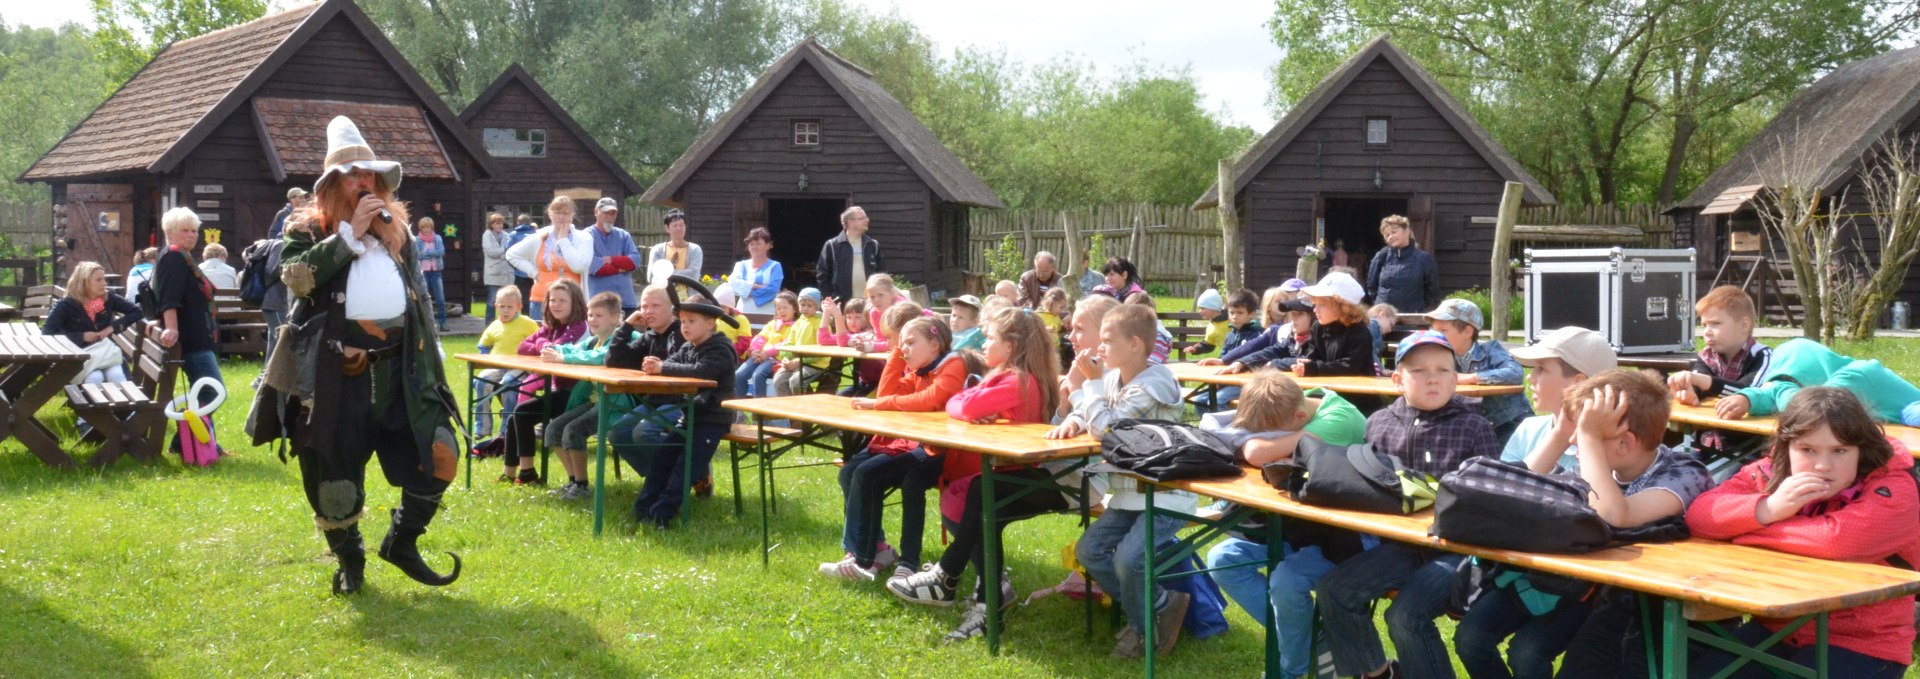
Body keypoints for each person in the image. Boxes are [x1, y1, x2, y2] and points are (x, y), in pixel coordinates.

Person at [272, 115, 463, 595]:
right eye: (351, 176)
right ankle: (350, 561)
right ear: (332, 187)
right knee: (333, 483)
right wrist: (349, 237)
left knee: (440, 452)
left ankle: (402, 541)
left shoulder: (397, 233)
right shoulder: (306, 231)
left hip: (403, 371)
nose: (363, 184)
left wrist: (433, 349)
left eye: (369, 176)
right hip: (335, 377)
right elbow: (296, 279)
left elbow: (418, 292)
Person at [1456, 370, 1710, 679]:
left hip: (1676, 618)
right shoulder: (1595, 467)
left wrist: (1588, 438)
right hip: (1612, 606)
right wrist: (1561, 434)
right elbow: (1515, 496)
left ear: (1626, 443)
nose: (1575, 440)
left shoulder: (1684, 474)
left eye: (1584, 433)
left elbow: (1616, 515)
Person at [1684, 387, 1919, 679]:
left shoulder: (1894, 484)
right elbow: (1701, 515)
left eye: (1840, 450)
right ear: (1787, 448)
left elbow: (1839, 540)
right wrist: (1768, 508)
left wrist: (1747, 530)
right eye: (1807, 450)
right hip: (1777, 629)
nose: (1823, 465)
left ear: (1862, 450)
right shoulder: (1772, 471)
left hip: (1863, 642)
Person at [1316, 331, 1499, 679]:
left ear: (1456, 378)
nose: (1433, 377)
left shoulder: (1474, 426)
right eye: (1419, 370)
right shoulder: (1378, 423)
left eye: (1444, 370)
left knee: (1404, 616)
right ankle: (1377, 672)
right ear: (1398, 379)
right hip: (1399, 546)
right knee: (1334, 590)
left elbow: (1489, 499)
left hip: (1455, 550)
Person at [885, 306, 1063, 643]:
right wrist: (971, 401)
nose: (982, 343)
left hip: (1037, 477)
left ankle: (951, 578)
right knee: (971, 492)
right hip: (1011, 472)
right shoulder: (1007, 375)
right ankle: (987, 594)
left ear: (1010, 346)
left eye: (990, 337)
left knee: (978, 492)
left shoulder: (1017, 380)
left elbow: (961, 405)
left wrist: (971, 402)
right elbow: (960, 401)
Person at [1199, 370, 1367, 679]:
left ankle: (1290, 671)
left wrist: (1258, 442)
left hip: (1346, 539)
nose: (1270, 436)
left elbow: (1256, 452)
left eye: (1274, 432)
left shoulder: (1339, 421)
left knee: (1286, 582)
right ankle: (1313, 641)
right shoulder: (1301, 408)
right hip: (1301, 528)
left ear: (1299, 416)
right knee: (1221, 560)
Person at [1050, 303, 1193, 658]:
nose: (1100, 347)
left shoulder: (1155, 385)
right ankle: (1159, 605)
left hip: (1164, 496)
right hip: (1129, 496)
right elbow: (1094, 416)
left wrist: (1089, 388)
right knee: (1090, 550)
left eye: (1108, 340)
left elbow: (1109, 427)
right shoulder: (1114, 378)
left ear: (1135, 345)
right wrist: (1076, 421)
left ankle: (1147, 635)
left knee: (1128, 561)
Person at [823, 316, 972, 581]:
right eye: (902, 343)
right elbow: (887, 391)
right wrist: (896, 353)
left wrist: (882, 403)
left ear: (935, 344)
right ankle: (867, 554)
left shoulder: (954, 364)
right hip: (928, 448)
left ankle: (888, 560)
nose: (905, 349)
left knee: (881, 476)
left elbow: (931, 399)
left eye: (911, 342)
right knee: (853, 472)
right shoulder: (919, 372)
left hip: (954, 454)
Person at [630, 276, 740, 528]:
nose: (685, 327)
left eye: (692, 321)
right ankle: (643, 508)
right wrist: (655, 365)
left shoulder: (720, 349)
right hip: (689, 416)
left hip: (712, 420)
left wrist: (663, 367)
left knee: (684, 468)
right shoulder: (689, 347)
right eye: (682, 321)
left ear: (711, 323)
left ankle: (662, 516)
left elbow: (699, 371)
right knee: (662, 459)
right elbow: (675, 363)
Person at [535, 291, 626, 500]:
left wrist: (563, 358)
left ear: (615, 318)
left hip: (616, 403)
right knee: (553, 429)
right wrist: (553, 349)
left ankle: (582, 486)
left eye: (599, 315)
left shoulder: (623, 338)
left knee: (573, 430)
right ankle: (574, 481)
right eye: (590, 315)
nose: (592, 320)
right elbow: (574, 349)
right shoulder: (594, 340)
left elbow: (599, 357)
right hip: (594, 400)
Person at [1668, 286, 1774, 463]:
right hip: (1701, 443)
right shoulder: (1707, 357)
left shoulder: (1763, 357)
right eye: (1704, 325)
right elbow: (1698, 386)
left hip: (1745, 451)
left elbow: (1748, 393)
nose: (1707, 332)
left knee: (1709, 481)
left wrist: (1705, 382)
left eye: (1715, 324)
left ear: (1744, 325)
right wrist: (1688, 393)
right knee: (1660, 465)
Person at [497, 280, 587, 485]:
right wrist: (543, 342)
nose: (556, 305)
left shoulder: (579, 326)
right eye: (552, 300)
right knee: (515, 416)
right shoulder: (551, 326)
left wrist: (543, 344)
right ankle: (510, 473)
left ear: (576, 303)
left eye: (562, 300)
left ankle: (527, 474)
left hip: (576, 392)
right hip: (559, 389)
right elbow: (523, 347)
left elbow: (555, 350)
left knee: (521, 413)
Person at [1713, 338, 1920, 426]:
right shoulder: (1823, 381)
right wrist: (1746, 398)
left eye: (1790, 379)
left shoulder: (1857, 375)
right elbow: (1776, 392)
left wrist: (1777, 390)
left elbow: (1811, 409)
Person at [153, 208, 223, 448]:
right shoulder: (174, 257)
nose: (192, 235)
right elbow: (169, 298)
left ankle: (193, 443)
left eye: (194, 230)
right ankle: (186, 443)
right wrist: (171, 328)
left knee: (204, 391)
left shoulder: (182, 256)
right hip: (192, 338)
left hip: (199, 335)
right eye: (185, 230)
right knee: (212, 392)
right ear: (170, 232)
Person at [1504, 326, 1617, 472]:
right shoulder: (1528, 430)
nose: (1530, 377)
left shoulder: (1614, 444)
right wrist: (1560, 436)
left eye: (1541, 369)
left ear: (1579, 384)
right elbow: (1501, 491)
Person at [1425, 298, 1528, 443]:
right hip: (1470, 430)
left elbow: (1515, 373)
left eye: (1443, 330)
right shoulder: (1438, 357)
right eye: (1433, 330)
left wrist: (1470, 378)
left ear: (1467, 332)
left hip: (1510, 426)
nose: (1435, 336)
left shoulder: (1490, 350)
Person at [607, 283, 684, 472]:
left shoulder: (682, 332)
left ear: (672, 309)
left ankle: (685, 474)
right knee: (617, 432)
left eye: (655, 306)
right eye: (644, 306)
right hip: (654, 402)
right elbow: (614, 360)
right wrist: (627, 326)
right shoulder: (648, 335)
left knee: (644, 431)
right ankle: (656, 479)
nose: (648, 311)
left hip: (682, 403)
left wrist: (661, 366)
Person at [43, 261, 142, 384]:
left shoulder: (108, 298)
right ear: (84, 282)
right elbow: (47, 334)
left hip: (105, 355)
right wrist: (81, 336)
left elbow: (137, 311)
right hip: (80, 357)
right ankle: (92, 403)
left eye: (104, 279)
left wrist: (112, 327)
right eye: (98, 280)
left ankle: (124, 403)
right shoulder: (66, 305)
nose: (104, 283)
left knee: (116, 374)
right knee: (95, 377)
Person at [504, 196, 592, 320]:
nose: (561, 217)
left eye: (565, 213)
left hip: (572, 301)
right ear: (550, 214)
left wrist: (563, 240)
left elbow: (580, 266)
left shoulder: (584, 238)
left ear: (572, 215)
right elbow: (512, 254)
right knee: (542, 339)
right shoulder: (539, 236)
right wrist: (533, 272)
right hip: (541, 300)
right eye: (557, 213)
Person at [470, 286, 538, 439]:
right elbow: (483, 345)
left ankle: (506, 430)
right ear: (496, 306)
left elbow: (538, 341)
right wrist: (487, 358)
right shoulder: (494, 325)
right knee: (481, 382)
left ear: (519, 307)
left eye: (509, 307)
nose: (505, 311)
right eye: (502, 306)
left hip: (518, 367)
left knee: (508, 384)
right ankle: (482, 427)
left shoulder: (527, 323)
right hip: (497, 366)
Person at [1291, 272, 1377, 378]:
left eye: (1322, 304)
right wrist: (1308, 363)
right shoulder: (1318, 327)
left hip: (1357, 391)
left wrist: (1315, 368)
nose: (1315, 310)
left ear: (1342, 307)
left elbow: (1350, 366)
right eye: (1315, 304)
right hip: (1325, 388)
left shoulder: (1359, 331)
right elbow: (1315, 357)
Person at [1056, 295, 1123, 421]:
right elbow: (1057, 432)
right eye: (1072, 329)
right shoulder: (1080, 371)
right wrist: (1063, 407)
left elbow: (1102, 427)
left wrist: (1076, 390)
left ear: (1105, 333)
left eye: (1079, 329)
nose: (1071, 337)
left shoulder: (1119, 378)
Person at [1365, 214, 1439, 313]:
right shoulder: (1381, 257)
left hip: (1413, 316)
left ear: (1407, 231)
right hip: (1383, 317)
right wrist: (1379, 305)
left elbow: (1432, 291)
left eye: (1394, 232)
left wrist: (1420, 310)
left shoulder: (1424, 259)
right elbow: (1371, 286)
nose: (1390, 237)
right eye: (1387, 235)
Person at [735, 290, 800, 397]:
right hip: (760, 356)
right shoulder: (773, 324)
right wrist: (755, 350)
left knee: (758, 375)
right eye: (778, 308)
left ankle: (759, 409)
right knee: (738, 375)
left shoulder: (796, 326)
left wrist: (766, 353)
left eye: (785, 307)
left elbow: (786, 344)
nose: (781, 311)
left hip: (776, 359)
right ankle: (739, 410)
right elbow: (761, 337)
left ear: (794, 309)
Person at [584, 197, 641, 315]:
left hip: (626, 302)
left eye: (613, 213)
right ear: (596, 212)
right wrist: (621, 268)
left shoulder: (623, 235)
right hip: (597, 303)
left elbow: (635, 261)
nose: (610, 217)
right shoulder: (586, 235)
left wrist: (611, 259)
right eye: (606, 213)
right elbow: (592, 266)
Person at [816, 205, 884, 302]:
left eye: (866, 217)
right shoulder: (831, 245)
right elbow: (822, 275)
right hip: (843, 304)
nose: (867, 220)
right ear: (849, 222)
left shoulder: (873, 245)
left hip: (870, 303)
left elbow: (882, 274)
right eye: (862, 218)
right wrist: (830, 300)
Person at [770, 288, 828, 397]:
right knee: (779, 379)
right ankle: (786, 410)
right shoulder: (798, 323)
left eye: (809, 305)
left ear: (816, 307)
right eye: (802, 304)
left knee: (796, 381)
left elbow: (821, 351)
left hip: (815, 364)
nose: (805, 308)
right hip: (797, 362)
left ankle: (801, 408)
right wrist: (786, 357)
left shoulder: (821, 323)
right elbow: (789, 343)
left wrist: (801, 361)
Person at [819, 296, 880, 397]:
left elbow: (843, 340)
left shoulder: (870, 334)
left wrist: (838, 316)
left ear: (868, 318)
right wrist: (826, 313)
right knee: (839, 397)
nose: (852, 322)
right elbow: (823, 339)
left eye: (858, 317)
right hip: (864, 382)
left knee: (856, 400)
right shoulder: (848, 334)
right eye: (849, 317)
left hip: (878, 382)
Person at [728, 227, 784, 315]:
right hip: (743, 312)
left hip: (768, 313)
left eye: (758, 243)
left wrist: (745, 291)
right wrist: (755, 286)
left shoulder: (775, 266)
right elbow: (732, 284)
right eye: (752, 244)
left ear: (768, 245)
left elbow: (773, 290)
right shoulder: (741, 265)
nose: (754, 247)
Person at [647, 208, 703, 279]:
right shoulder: (658, 250)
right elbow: (652, 275)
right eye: (675, 226)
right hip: (664, 289)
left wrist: (665, 273)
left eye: (681, 225)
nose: (678, 229)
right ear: (667, 228)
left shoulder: (695, 250)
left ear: (685, 227)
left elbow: (693, 274)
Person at [480, 212, 514, 326]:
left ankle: (506, 323)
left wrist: (502, 252)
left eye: (501, 223)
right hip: (493, 273)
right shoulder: (487, 235)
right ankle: (488, 325)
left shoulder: (506, 235)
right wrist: (504, 251)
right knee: (492, 301)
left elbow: (511, 250)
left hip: (506, 272)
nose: (500, 226)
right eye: (497, 223)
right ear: (491, 224)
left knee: (507, 300)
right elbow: (490, 252)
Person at [415, 217, 447, 331]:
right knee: (424, 298)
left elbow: (441, 251)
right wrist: (432, 254)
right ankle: (425, 324)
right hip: (424, 272)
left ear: (431, 227)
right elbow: (417, 255)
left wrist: (427, 253)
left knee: (440, 299)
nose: (426, 229)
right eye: (423, 227)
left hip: (436, 271)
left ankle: (443, 323)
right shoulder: (417, 240)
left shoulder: (437, 238)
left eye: (428, 227)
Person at [1184, 288, 1227, 356]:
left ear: (1213, 307)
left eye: (1203, 308)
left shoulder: (1232, 320)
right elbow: (1208, 345)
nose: (1200, 311)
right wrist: (1196, 349)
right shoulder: (1211, 326)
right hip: (1227, 357)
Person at [508, 213, 537, 303]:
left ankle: (524, 315)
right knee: (534, 295)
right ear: (530, 223)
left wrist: (515, 266)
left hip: (520, 271)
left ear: (518, 223)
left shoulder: (513, 235)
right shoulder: (536, 234)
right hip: (534, 270)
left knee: (523, 296)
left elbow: (508, 251)